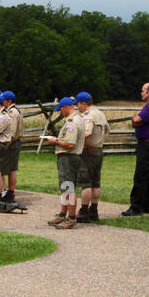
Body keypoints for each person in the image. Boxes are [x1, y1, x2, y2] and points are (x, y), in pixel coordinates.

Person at [43, 96, 84, 228]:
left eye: (61, 109)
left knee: (68, 188)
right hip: (67, 158)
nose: (60, 112)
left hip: (69, 158)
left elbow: (69, 144)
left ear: (66, 107)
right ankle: (62, 214)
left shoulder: (72, 122)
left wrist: (54, 141)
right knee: (65, 187)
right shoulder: (75, 119)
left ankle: (71, 217)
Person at [125, 81, 149, 216]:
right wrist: (137, 121)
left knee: (141, 174)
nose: (141, 93)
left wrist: (137, 121)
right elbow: (137, 122)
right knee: (147, 174)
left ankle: (136, 207)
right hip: (147, 143)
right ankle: (147, 205)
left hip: (148, 144)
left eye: (143, 90)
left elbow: (136, 120)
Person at [76, 92, 108, 222]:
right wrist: (99, 141)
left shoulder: (88, 116)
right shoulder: (100, 113)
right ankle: (94, 210)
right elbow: (107, 130)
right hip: (98, 150)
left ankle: (84, 211)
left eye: (78, 104)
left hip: (88, 152)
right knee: (96, 182)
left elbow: (86, 133)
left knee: (85, 183)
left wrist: (75, 142)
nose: (77, 107)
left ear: (84, 103)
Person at [0, 90, 24, 203]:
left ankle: (5, 192)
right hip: (16, 143)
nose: (1, 102)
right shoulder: (15, 110)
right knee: (12, 169)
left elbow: (11, 134)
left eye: (3, 100)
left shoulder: (12, 113)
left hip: (11, 143)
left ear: (8, 101)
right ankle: (10, 192)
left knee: (3, 169)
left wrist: (4, 147)